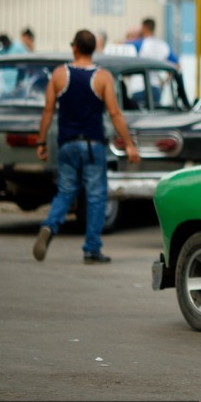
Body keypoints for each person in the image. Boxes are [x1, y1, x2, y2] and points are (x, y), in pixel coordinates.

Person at [32, 30, 140, 264]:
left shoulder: (59, 74)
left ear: (74, 48)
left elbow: (48, 111)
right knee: (96, 196)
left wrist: (41, 141)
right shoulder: (103, 77)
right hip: (92, 145)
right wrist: (129, 145)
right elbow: (114, 113)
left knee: (65, 192)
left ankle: (49, 225)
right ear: (93, 50)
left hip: (67, 145)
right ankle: (92, 248)